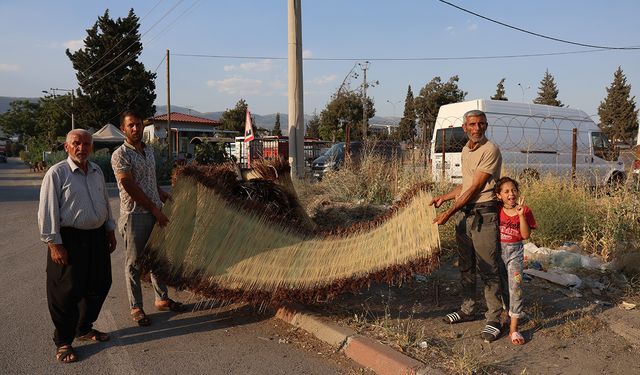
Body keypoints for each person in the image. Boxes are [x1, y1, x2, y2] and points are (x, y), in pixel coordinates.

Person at [38, 129, 117, 363]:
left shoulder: (96, 171)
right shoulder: (57, 173)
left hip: (97, 236)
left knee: (100, 282)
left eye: (86, 143)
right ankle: (63, 341)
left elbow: (105, 201)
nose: (82, 147)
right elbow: (47, 211)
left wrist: (110, 230)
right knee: (65, 292)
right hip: (68, 238)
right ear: (66, 147)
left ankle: (83, 328)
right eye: (76, 143)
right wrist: (53, 243)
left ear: (91, 147)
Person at [430, 109, 506, 343]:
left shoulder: (490, 150)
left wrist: (448, 213)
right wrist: (446, 197)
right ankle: (467, 308)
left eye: (481, 124)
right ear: (464, 127)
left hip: (484, 215)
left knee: (489, 268)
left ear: (486, 125)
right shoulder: (465, 150)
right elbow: (465, 185)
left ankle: (494, 318)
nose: (476, 128)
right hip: (465, 214)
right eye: (472, 124)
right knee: (466, 266)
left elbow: (475, 189)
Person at [111, 110, 185, 327]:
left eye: (138, 125)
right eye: (130, 125)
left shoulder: (149, 151)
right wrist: (154, 209)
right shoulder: (120, 154)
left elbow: (148, 180)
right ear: (123, 129)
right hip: (135, 215)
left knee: (158, 258)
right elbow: (129, 185)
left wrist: (163, 194)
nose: (135, 129)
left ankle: (161, 298)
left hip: (155, 210)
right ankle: (136, 307)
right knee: (134, 263)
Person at [494, 177, 536, 345]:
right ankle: (508, 312)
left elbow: (525, 235)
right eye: (506, 191)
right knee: (502, 285)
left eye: (513, 190)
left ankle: (514, 328)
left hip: (515, 253)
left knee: (516, 287)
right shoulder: (496, 210)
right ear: (499, 196)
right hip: (498, 252)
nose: (511, 194)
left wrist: (521, 216)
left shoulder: (524, 211)